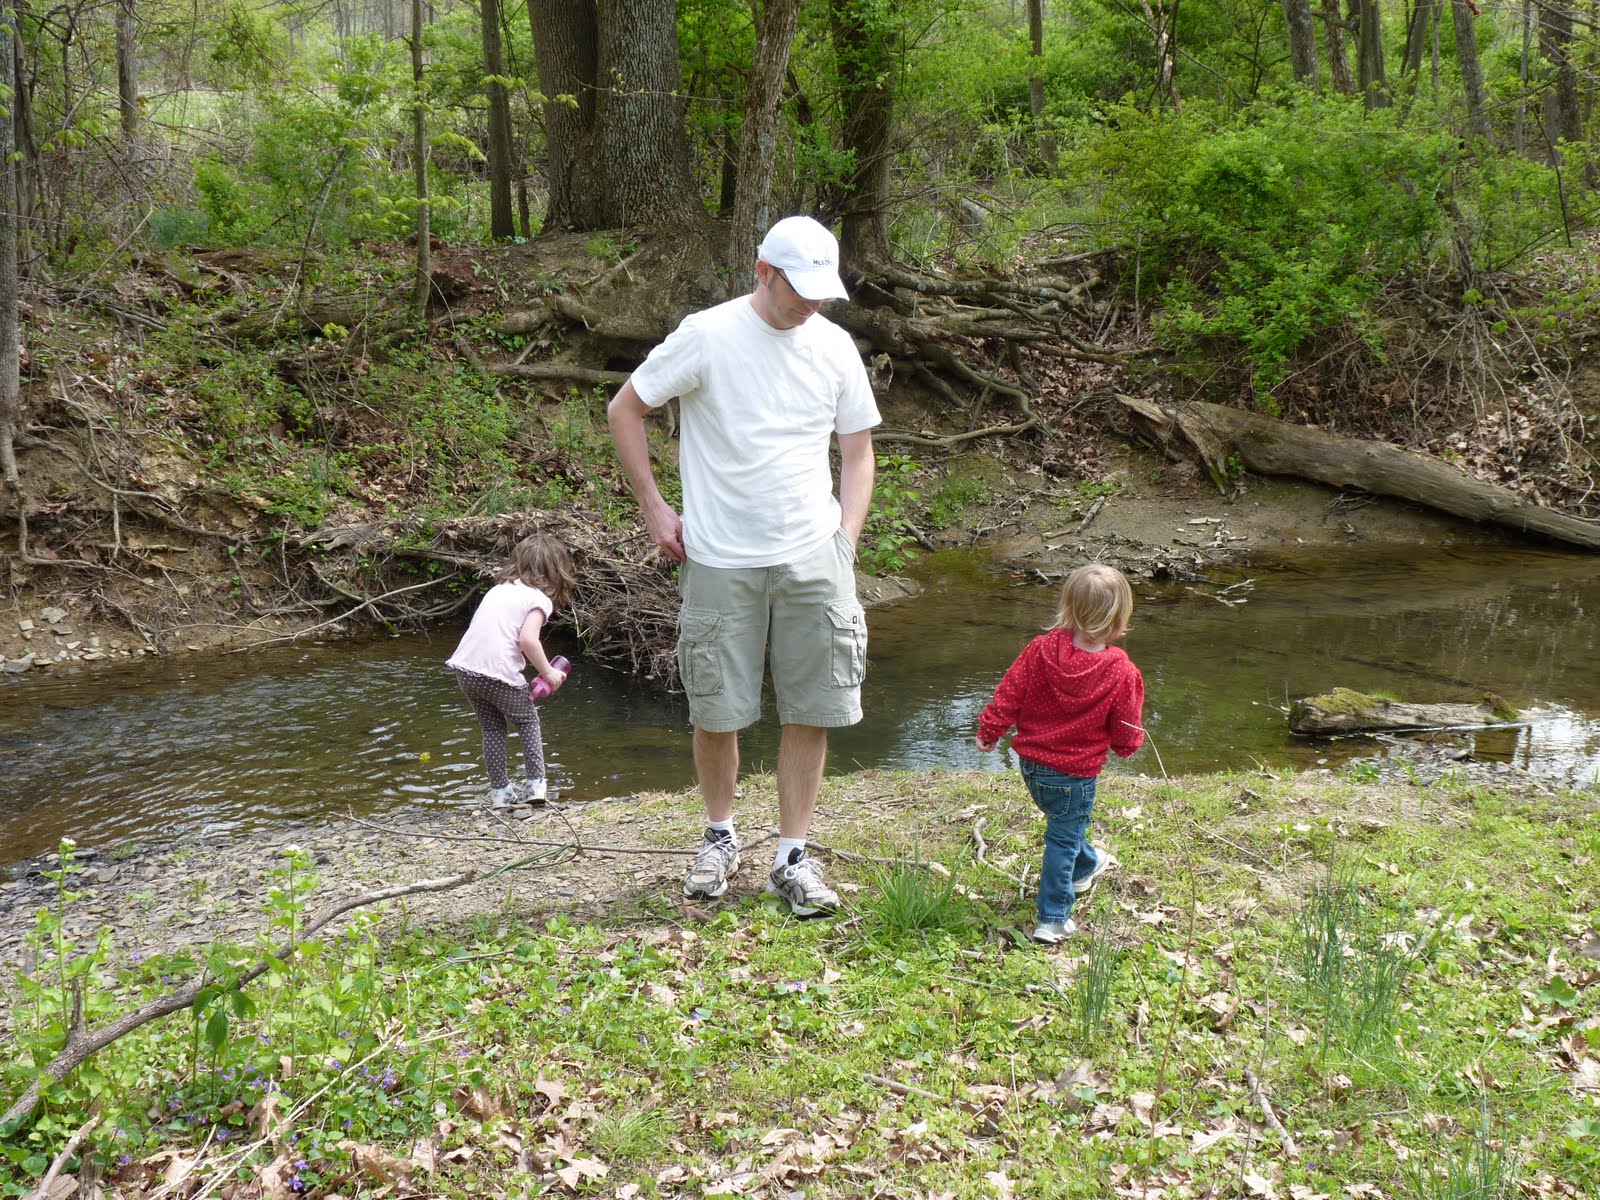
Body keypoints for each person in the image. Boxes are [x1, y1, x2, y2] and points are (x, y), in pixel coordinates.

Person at [607, 215, 880, 918]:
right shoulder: (708, 334)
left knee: (812, 706)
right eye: (801, 289)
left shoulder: (835, 346)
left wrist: (844, 540)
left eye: (825, 290)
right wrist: (654, 509)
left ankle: (792, 854)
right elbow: (625, 409)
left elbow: (858, 453)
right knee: (717, 709)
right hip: (722, 556)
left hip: (813, 554)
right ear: (764, 270)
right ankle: (720, 835)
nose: (813, 303)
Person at [976, 563, 1146, 944]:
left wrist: (990, 731)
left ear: (1067, 609)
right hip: (1075, 774)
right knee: (1063, 837)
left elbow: (1009, 693)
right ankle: (1053, 917)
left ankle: (1088, 864)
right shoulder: (1121, 671)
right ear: (1120, 620)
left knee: (1065, 824)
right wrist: (1128, 747)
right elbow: (1127, 725)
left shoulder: (1040, 650)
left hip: (1032, 766)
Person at [447, 533, 577, 807]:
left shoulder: (498, 590)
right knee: (528, 721)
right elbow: (527, 640)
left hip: (466, 670)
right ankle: (536, 788)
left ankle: (500, 793)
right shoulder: (538, 599)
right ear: (555, 571)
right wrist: (549, 673)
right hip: (497, 673)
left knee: (492, 729)